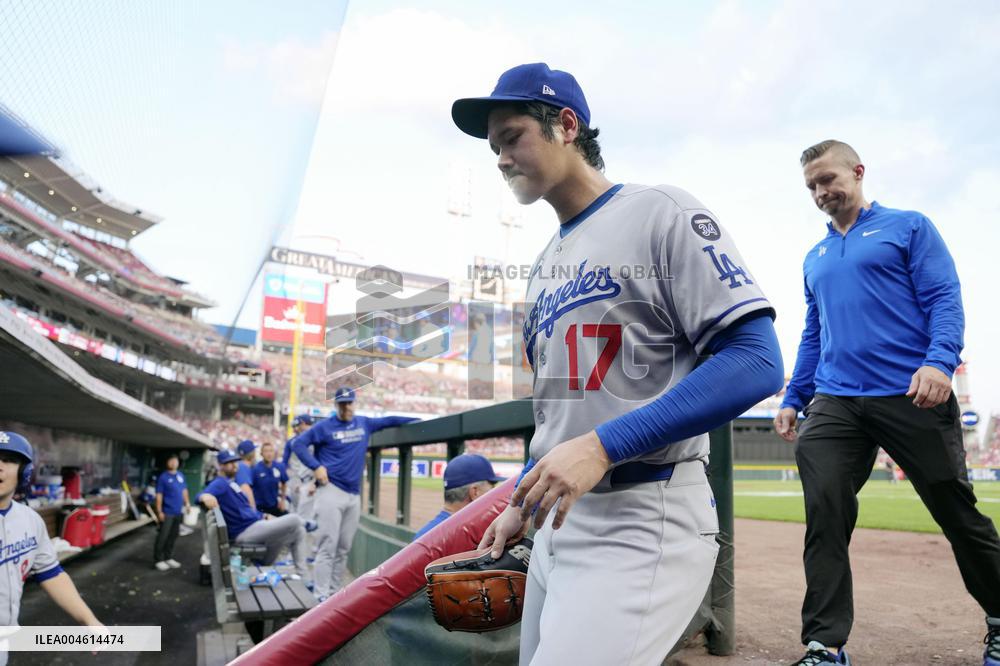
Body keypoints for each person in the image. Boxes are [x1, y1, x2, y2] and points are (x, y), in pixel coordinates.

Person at [452, 63, 783, 664]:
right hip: (557, 524)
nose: (500, 158)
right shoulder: (543, 264)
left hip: (642, 514)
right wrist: (518, 504)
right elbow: (559, 410)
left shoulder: (660, 211)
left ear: (567, 126)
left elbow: (756, 359)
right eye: (494, 146)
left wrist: (604, 445)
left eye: (513, 136)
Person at [773, 140, 1000, 666]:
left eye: (828, 179)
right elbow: (815, 331)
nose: (821, 192)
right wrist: (794, 395)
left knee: (954, 511)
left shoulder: (909, 227)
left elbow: (944, 296)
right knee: (825, 507)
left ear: (857, 171)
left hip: (911, 393)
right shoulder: (817, 255)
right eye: (811, 186)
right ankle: (824, 645)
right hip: (836, 400)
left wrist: (940, 362)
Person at [291, 387, 420, 600]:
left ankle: (334, 595)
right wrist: (316, 466)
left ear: (354, 403)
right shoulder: (325, 427)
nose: (347, 407)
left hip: (353, 494)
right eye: (343, 404)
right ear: (336, 405)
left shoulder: (364, 423)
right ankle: (321, 596)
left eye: (350, 403)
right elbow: (299, 444)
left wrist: (415, 420)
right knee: (327, 546)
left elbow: (390, 420)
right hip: (331, 489)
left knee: (343, 547)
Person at [0, 431, 102, 665]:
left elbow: (51, 573)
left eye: (9, 459)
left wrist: (89, 620)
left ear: (24, 472)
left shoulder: (30, 520)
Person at [196, 449, 312, 576]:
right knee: (294, 519)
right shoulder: (220, 483)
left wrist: (264, 516)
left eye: (235, 461)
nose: (234, 465)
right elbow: (200, 495)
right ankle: (306, 523)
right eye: (229, 462)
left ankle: (303, 575)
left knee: (299, 531)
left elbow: (245, 509)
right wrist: (204, 497)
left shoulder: (231, 483)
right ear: (221, 465)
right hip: (244, 532)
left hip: (255, 526)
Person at [412, 454, 504, 541]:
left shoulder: (423, 537)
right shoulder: (475, 537)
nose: (494, 493)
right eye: (492, 488)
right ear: (475, 492)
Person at [153, 452, 190, 571]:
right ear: (167, 462)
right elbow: (159, 495)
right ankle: (158, 559)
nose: (174, 463)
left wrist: (187, 503)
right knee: (163, 535)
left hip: (178, 511)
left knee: (173, 535)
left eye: (176, 460)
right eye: (171, 460)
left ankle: (168, 557)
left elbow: (184, 490)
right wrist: (159, 511)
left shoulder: (180, 475)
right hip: (167, 511)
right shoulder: (163, 477)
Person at [283, 415, 315, 518]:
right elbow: (284, 463)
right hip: (297, 478)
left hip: (311, 478)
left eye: (297, 425)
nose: (294, 429)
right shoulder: (292, 441)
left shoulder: (315, 439)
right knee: (299, 510)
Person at [252, 442, 288, 517]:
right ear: (261, 453)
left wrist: (282, 501)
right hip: (260, 508)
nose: (269, 454)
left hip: (274, 505)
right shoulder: (255, 469)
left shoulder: (279, 466)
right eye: (266, 451)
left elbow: (284, 483)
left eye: (271, 451)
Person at [235, 439, 257, 509]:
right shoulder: (243, 467)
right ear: (252, 454)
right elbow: (246, 489)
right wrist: (254, 512)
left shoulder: (241, 465)